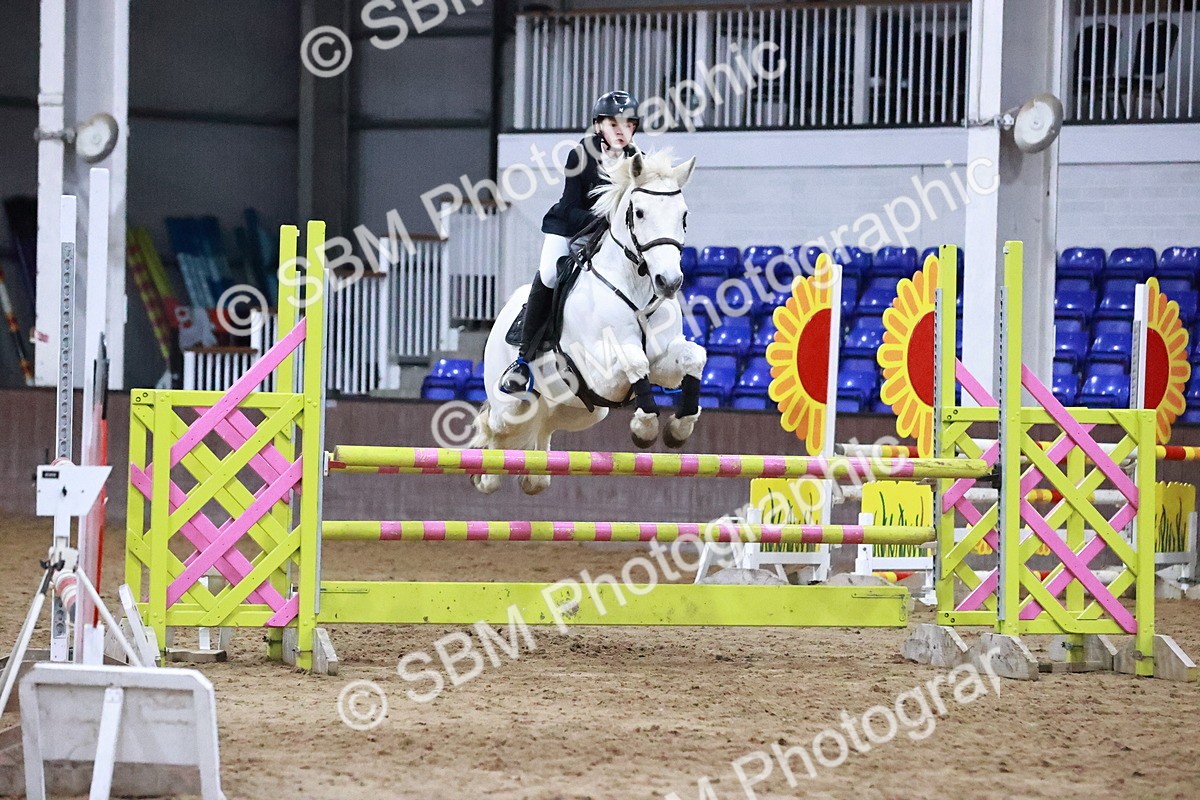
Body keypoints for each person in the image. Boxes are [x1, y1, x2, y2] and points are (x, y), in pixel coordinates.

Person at [499, 90, 641, 395]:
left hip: (612, 239)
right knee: (550, 273)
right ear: (598, 126)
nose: (620, 129)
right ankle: (523, 360)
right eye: (612, 123)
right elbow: (570, 205)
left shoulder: (636, 160)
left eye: (627, 123)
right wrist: (603, 222)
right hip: (570, 227)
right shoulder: (582, 154)